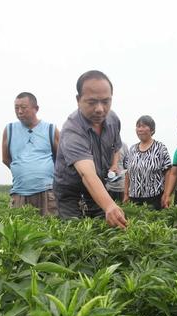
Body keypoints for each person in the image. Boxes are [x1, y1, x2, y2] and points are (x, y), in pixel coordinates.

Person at [53, 70, 127, 228]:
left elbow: (116, 147)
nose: (100, 109)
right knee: (76, 234)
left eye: (106, 101)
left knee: (106, 230)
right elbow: (87, 174)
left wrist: (114, 164)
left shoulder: (113, 120)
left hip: (98, 185)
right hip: (71, 193)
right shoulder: (72, 130)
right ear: (78, 100)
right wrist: (109, 205)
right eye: (92, 102)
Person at [1, 92, 59, 216]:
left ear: (36, 109)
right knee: (19, 230)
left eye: (23, 107)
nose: (19, 111)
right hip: (19, 191)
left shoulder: (50, 129)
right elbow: (6, 159)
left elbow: (60, 158)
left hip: (47, 191)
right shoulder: (9, 129)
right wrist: (22, 171)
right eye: (16, 108)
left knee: (49, 228)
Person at [123, 115, 171, 209]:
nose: (140, 129)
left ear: (152, 130)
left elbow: (168, 172)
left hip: (155, 198)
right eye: (138, 126)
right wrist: (126, 194)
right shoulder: (132, 149)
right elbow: (127, 173)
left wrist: (166, 194)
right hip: (134, 198)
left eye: (144, 126)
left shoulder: (160, 148)